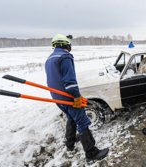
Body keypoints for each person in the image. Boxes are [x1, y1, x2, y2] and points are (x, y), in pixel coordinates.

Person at [45, 34, 109, 162]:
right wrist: (76, 97)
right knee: (82, 122)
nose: (70, 46)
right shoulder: (65, 57)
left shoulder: (50, 59)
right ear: (64, 44)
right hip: (68, 97)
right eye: (68, 43)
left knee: (71, 118)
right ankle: (92, 154)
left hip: (57, 97)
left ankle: (70, 143)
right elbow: (70, 82)